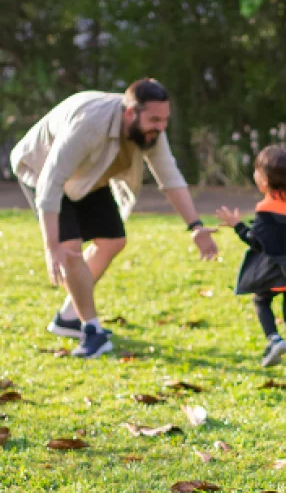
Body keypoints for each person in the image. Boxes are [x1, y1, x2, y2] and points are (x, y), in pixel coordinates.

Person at [11, 78, 217, 357]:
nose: (161, 127)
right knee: (70, 251)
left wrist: (196, 226)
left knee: (113, 241)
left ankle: (69, 317)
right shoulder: (90, 123)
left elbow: (169, 177)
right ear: (130, 113)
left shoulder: (150, 131)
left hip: (89, 177)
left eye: (165, 120)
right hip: (42, 171)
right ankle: (92, 330)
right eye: (155, 119)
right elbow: (51, 181)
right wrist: (52, 247)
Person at [216, 145, 286, 380]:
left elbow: (257, 242)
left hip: (277, 272)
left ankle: (274, 339)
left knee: (260, 300)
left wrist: (237, 225)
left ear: (265, 179)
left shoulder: (266, 208)